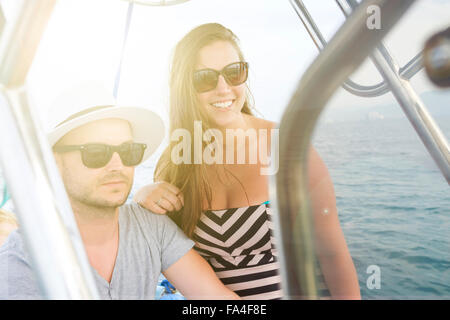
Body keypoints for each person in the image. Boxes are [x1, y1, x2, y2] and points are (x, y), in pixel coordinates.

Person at [134, 23, 361, 299]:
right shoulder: (176, 163)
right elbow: (168, 248)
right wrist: (144, 196)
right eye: (205, 78)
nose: (223, 88)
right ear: (185, 87)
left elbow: (333, 255)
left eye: (233, 72)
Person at [0, 84, 239, 300]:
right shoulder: (23, 259)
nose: (117, 165)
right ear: (54, 164)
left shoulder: (151, 226)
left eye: (128, 151)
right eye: (95, 152)